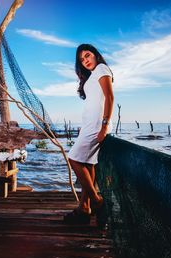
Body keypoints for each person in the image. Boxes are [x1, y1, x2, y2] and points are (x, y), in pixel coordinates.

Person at [64, 44, 114, 226]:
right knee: (88, 163)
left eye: (87, 55)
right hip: (89, 125)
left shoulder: (102, 68)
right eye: (81, 59)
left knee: (74, 159)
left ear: (95, 55)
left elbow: (110, 97)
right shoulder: (92, 76)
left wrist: (105, 126)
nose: (85, 60)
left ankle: (97, 201)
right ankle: (84, 209)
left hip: (96, 125)